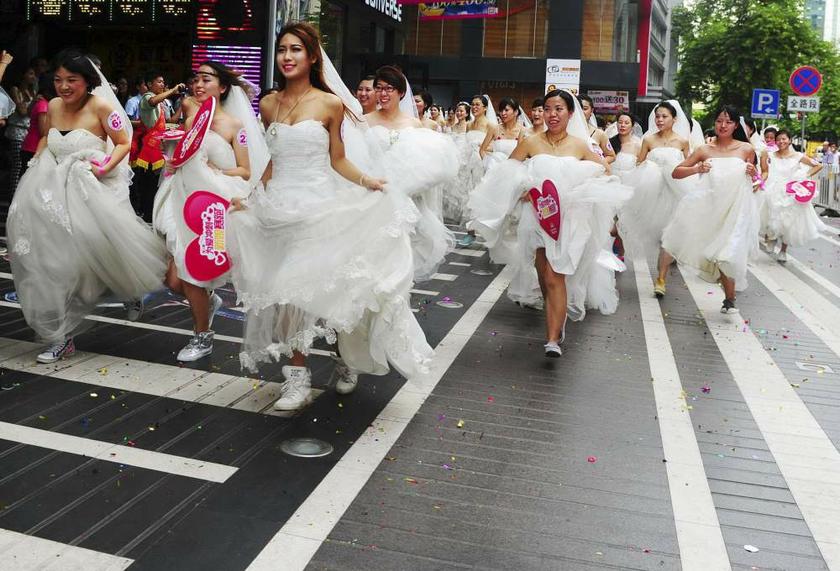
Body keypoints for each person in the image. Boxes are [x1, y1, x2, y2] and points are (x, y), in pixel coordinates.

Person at [227, 22, 433, 410]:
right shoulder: (269, 104)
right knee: (287, 295)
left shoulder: (330, 103)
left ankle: (344, 358)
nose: (287, 57)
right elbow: (274, 160)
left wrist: (368, 180)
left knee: (327, 294)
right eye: (282, 49)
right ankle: (297, 380)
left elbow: (337, 159)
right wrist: (251, 198)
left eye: (296, 50)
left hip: (320, 210)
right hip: (278, 213)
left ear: (311, 56)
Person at [7, 50, 166, 363]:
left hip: (91, 188)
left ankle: (128, 288)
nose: (64, 87)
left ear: (88, 81)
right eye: (58, 80)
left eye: (71, 80)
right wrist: (36, 165)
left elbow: (123, 140)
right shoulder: (52, 105)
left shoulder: (103, 106)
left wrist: (105, 167)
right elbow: (46, 138)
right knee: (55, 263)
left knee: (100, 254)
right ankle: (61, 336)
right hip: (52, 188)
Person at [468, 89, 631, 357]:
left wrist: (580, 191)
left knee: (557, 275)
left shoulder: (581, 145)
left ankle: (553, 338)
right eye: (548, 109)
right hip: (537, 217)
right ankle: (553, 313)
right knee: (544, 273)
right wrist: (522, 190)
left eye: (559, 109)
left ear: (570, 113)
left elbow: (605, 171)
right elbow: (507, 173)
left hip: (568, 218)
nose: (552, 115)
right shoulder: (531, 142)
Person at [153, 61, 265, 362]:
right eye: (196, 80)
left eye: (207, 79)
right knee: (174, 281)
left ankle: (202, 337)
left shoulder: (235, 126)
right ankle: (208, 302)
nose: (199, 85)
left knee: (192, 276)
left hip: (211, 208)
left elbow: (245, 170)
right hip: (180, 198)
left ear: (223, 87)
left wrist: (218, 171)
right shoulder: (191, 115)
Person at [662, 105, 759, 314]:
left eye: (728, 121)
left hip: (736, 209)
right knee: (715, 253)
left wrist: (753, 172)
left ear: (735, 125)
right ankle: (729, 297)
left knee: (727, 252)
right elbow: (676, 172)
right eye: (719, 121)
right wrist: (697, 168)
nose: (723, 125)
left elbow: (755, 179)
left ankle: (730, 299)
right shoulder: (704, 150)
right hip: (710, 209)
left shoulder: (746, 149)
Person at [365, 65, 458, 281]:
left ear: (401, 93)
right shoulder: (365, 121)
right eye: (379, 88)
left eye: (389, 88)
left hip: (403, 199)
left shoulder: (413, 124)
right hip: (372, 195)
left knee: (400, 258)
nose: (383, 94)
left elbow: (424, 166)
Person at [619, 101, 691, 298]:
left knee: (669, 237)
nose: (660, 120)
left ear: (674, 119)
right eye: (657, 116)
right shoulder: (649, 140)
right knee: (656, 236)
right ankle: (657, 272)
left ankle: (661, 279)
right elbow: (639, 163)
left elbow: (686, 167)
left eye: (664, 116)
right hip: (652, 193)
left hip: (675, 193)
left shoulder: (683, 142)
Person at [765, 129, 826, 262]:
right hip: (774, 190)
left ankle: (783, 250)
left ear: (790, 140)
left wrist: (805, 175)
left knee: (788, 222)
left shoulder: (798, 156)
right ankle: (772, 238)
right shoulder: (771, 155)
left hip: (791, 191)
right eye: (778, 139)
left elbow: (818, 165)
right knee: (772, 217)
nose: (781, 142)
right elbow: (764, 168)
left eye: (784, 139)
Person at [133, 71, 185, 221]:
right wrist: (173, 91)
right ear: (149, 84)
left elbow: (171, 120)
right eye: (159, 82)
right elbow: (152, 101)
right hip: (149, 148)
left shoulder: (162, 102)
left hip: (160, 146)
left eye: (163, 82)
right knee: (149, 185)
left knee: (157, 184)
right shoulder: (147, 98)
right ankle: (146, 215)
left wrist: (182, 103)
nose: (162, 84)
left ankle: (153, 215)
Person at [460, 95, 496, 245]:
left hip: (482, 163)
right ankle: (470, 232)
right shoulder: (468, 124)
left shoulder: (490, 125)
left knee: (482, 197)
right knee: (468, 197)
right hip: (468, 164)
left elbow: (494, 147)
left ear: (485, 108)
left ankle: (488, 232)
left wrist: (480, 149)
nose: (474, 107)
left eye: (478, 105)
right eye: (473, 105)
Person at [5, 62, 36, 193]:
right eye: (30, 73)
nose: (33, 77)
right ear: (23, 75)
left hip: (28, 131)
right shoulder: (15, 90)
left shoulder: (32, 90)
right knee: (17, 165)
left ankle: (23, 193)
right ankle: (14, 194)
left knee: (26, 164)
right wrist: (34, 102)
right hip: (17, 130)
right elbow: (22, 111)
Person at [18, 75, 54, 180]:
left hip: (32, 146)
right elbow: (43, 132)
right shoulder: (44, 105)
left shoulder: (43, 103)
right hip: (33, 148)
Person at [478, 96, 526, 170]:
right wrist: (488, 164)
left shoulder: (523, 131)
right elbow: (482, 150)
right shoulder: (494, 128)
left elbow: (523, 155)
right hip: (494, 170)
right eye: (501, 110)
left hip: (513, 170)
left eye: (506, 110)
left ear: (516, 112)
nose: (503, 113)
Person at [578, 93, 615, 163]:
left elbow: (611, 156)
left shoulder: (599, 134)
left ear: (591, 111)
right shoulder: (565, 131)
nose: (581, 112)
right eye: (578, 109)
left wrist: (598, 163)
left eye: (585, 108)